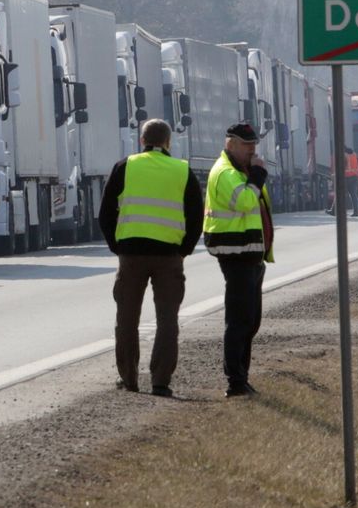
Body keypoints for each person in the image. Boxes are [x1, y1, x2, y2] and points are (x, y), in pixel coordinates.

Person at [99, 119, 203, 397]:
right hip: (169, 255)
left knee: (127, 319)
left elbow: (105, 211)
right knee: (167, 320)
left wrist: (117, 246)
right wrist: (184, 250)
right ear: (169, 142)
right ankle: (160, 381)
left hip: (131, 254)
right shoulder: (182, 170)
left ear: (141, 140)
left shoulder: (125, 166)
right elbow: (196, 217)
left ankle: (129, 378)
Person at [204, 123, 275, 397]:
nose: (252, 150)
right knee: (239, 320)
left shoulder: (241, 171)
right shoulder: (226, 173)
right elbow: (245, 202)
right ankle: (235, 381)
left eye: (254, 144)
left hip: (250, 254)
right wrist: (258, 175)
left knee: (250, 321)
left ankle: (241, 377)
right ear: (230, 144)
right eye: (246, 145)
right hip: (236, 253)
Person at [325, 146, 358, 217]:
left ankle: (334, 211)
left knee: (339, 193)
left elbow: (341, 167)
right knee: (353, 195)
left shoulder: (343, 155)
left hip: (346, 177)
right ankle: (356, 212)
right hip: (355, 176)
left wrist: (335, 175)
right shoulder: (354, 154)